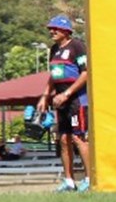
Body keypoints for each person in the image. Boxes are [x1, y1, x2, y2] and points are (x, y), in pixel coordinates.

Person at [38, 15, 90, 192]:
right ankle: (69, 181)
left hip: (77, 100)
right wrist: (45, 95)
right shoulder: (54, 50)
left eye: (55, 28)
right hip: (61, 102)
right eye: (50, 29)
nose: (52, 32)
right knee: (63, 140)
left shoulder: (77, 46)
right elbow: (54, 75)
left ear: (66, 31)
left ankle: (89, 179)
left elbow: (85, 73)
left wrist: (67, 94)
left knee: (78, 138)